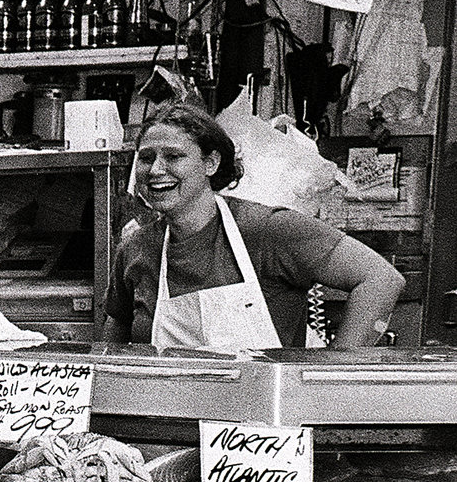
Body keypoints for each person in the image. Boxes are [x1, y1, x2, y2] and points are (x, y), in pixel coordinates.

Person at [104, 105, 406, 351]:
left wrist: (336, 368)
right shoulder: (135, 248)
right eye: (146, 158)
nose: (156, 170)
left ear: (211, 163)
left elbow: (382, 279)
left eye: (173, 156)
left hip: (262, 423)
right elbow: (116, 327)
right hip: (167, 419)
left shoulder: (268, 229)